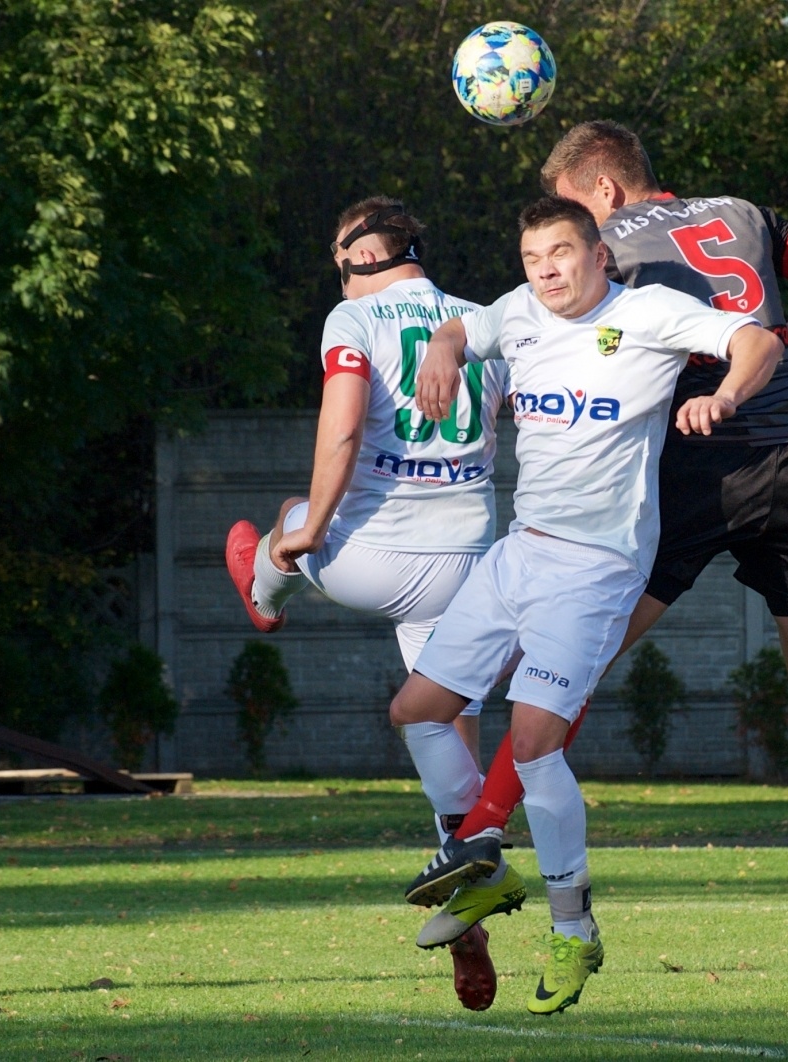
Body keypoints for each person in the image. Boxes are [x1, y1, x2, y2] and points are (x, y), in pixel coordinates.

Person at [405, 119, 788, 966]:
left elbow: (572, 327)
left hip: (695, 459)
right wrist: (782, 342)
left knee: (575, 661)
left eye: (572, 214)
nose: (563, 248)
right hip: (787, 452)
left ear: (602, 193)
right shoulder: (746, 214)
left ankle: (482, 832)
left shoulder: (614, 248)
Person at [388, 195, 784, 1014]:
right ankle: (483, 862)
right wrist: (443, 349)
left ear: (599, 254)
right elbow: (463, 329)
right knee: (417, 712)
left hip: (599, 566)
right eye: (533, 259)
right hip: (520, 552)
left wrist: (725, 396)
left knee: (535, 745)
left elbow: (758, 341)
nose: (547, 272)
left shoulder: (647, 312)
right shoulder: (519, 311)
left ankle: (573, 929)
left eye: (561, 253)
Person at [221, 197, 515, 1011]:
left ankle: (263, 588)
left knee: (287, 522)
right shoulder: (485, 319)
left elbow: (343, 431)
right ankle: (471, 888)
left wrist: (315, 527)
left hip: (372, 558)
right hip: (466, 561)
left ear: (357, 259)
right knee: (445, 729)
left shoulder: (352, 320)